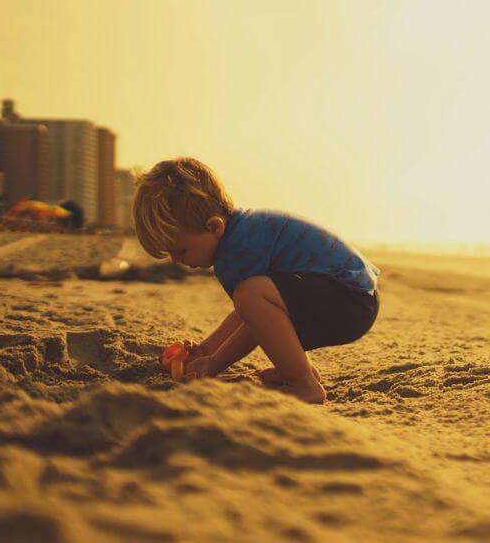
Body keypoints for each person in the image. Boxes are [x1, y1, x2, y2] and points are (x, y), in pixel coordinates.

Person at [132, 157, 380, 404]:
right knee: (255, 298)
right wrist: (206, 350)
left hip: (347, 301)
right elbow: (250, 314)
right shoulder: (243, 230)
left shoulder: (238, 249)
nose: (175, 260)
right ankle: (299, 371)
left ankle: (303, 384)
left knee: (251, 295)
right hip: (354, 297)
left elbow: (252, 317)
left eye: (181, 251)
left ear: (213, 227)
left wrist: (214, 363)